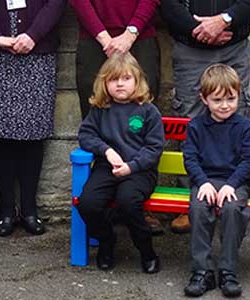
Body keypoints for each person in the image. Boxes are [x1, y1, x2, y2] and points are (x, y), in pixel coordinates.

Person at [160, 0, 250, 234]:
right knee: (188, 121)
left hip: (234, 48)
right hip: (190, 49)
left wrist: (224, 20)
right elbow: (167, 4)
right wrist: (198, 30)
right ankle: (191, 200)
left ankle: (237, 197)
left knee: (239, 119)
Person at [0, 0, 66, 237]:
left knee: (34, 132)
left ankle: (30, 209)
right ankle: (6, 210)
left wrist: (33, 35)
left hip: (38, 51)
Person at [69, 0, 164, 234]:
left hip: (139, 38)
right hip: (94, 40)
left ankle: (139, 203)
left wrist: (130, 33)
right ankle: (101, 202)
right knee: (97, 116)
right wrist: (103, 37)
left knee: (143, 118)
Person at [76, 53, 164, 272]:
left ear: (137, 81)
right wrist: (106, 151)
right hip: (108, 168)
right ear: (105, 83)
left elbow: (154, 149)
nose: (120, 84)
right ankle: (107, 241)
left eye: (126, 78)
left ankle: (146, 250)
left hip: (140, 171)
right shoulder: (100, 110)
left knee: (128, 202)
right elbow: (86, 135)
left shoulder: (148, 112)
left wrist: (131, 166)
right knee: (87, 203)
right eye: (114, 79)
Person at [181, 64, 250, 298]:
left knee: (233, 209)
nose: (225, 105)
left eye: (231, 99)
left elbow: (248, 160)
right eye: (217, 100)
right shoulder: (196, 126)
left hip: (235, 182)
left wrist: (231, 185)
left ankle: (228, 269)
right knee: (199, 208)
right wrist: (202, 182)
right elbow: (190, 158)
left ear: (238, 95)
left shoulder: (244, 127)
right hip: (205, 181)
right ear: (204, 99)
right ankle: (202, 271)